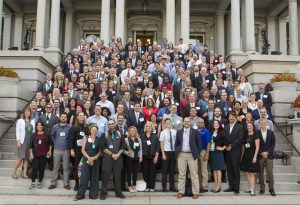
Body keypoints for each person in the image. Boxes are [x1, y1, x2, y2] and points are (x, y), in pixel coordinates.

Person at [175, 117, 201, 199]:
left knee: (194, 174)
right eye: (185, 121)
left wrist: (196, 153)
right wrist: (177, 151)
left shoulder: (195, 132)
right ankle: (181, 192)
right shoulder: (179, 132)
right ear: (183, 123)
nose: (186, 122)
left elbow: (199, 145)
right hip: (181, 155)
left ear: (190, 123)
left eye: (188, 121)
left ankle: (196, 192)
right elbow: (176, 143)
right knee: (181, 174)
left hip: (191, 155)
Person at [99, 120, 126, 200]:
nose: (111, 125)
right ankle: (103, 193)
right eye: (109, 124)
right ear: (108, 125)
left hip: (118, 158)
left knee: (117, 176)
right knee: (105, 176)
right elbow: (102, 146)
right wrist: (112, 154)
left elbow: (123, 145)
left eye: (112, 124)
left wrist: (118, 154)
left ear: (115, 124)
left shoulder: (119, 133)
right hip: (107, 159)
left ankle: (118, 193)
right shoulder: (105, 134)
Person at [74, 124, 101, 201]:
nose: (94, 131)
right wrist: (89, 158)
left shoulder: (98, 139)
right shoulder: (85, 137)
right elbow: (82, 150)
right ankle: (80, 195)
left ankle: (93, 195)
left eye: (96, 130)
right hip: (86, 160)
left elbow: (100, 151)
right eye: (93, 130)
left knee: (94, 178)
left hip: (95, 160)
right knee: (84, 178)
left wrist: (94, 158)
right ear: (90, 130)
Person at [48, 112, 72, 190]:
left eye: (65, 117)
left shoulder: (69, 127)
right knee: (56, 167)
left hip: (66, 150)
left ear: (66, 118)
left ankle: (66, 184)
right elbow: (52, 135)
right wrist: (55, 143)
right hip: (57, 150)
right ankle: (53, 183)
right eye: (62, 117)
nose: (63, 118)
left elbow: (71, 137)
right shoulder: (55, 127)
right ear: (60, 118)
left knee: (66, 167)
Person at [223, 112, 244, 194]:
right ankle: (231, 186)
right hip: (227, 151)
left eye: (232, 117)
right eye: (229, 117)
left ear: (235, 117)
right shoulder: (226, 127)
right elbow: (224, 137)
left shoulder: (240, 126)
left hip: (235, 151)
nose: (231, 118)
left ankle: (236, 188)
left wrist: (231, 145)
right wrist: (227, 145)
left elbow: (240, 138)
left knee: (235, 169)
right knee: (229, 170)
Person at [12, 107, 35, 179]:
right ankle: (14, 173)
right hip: (22, 141)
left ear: (30, 113)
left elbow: (33, 132)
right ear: (23, 113)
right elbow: (17, 132)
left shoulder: (32, 121)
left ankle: (24, 174)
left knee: (26, 158)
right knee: (20, 158)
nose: (27, 112)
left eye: (28, 111)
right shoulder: (20, 121)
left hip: (30, 141)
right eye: (26, 111)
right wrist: (18, 141)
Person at [69, 112, 89, 191]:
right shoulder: (74, 127)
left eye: (82, 115)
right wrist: (71, 150)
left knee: (85, 168)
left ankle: (84, 184)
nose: (81, 117)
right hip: (77, 151)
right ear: (77, 117)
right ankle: (77, 184)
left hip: (85, 151)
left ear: (84, 117)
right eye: (80, 115)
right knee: (77, 167)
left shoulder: (87, 127)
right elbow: (71, 139)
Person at [29, 121, 51, 189]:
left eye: (41, 125)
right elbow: (30, 146)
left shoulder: (47, 135)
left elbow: (50, 144)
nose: (39, 126)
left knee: (42, 169)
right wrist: (31, 154)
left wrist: (50, 151)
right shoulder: (33, 135)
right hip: (35, 154)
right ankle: (33, 182)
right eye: (38, 125)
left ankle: (39, 182)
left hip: (44, 155)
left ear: (43, 126)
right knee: (34, 169)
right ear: (36, 127)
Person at [257, 119, 276, 196]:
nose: (263, 124)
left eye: (264, 123)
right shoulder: (257, 133)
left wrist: (267, 152)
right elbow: (256, 145)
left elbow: (273, 144)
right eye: (261, 123)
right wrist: (261, 153)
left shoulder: (271, 133)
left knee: (270, 173)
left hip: (269, 155)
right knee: (260, 173)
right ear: (259, 124)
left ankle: (271, 189)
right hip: (260, 156)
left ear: (266, 123)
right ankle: (262, 189)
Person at [240, 122, 260, 196]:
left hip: (252, 155)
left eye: (250, 126)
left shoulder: (256, 135)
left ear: (253, 127)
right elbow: (244, 147)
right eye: (248, 126)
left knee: (251, 173)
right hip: (246, 155)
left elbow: (257, 147)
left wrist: (255, 157)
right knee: (247, 172)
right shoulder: (246, 135)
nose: (249, 127)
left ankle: (252, 190)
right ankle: (249, 188)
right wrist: (242, 156)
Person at [140, 121, 160, 192]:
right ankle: (146, 186)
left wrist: (156, 157)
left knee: (152, 172)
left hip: (153, 156)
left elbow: (158, 147)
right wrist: (140, 156)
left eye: (150, 126)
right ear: (145, 127)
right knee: (145, 172)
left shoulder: (155, 136)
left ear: (152, 127)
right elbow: (140, 146)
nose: (148, 127)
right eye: (147, 126)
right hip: (144, 156)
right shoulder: (142, 135)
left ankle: (152, 187)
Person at [160, 118, 177, 192]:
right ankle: (164, 186)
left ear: (171, 123)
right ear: (165, 124)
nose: (168, 124)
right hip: (166, 152)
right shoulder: (163, 132)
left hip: (173, 152)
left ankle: (172, 186)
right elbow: (161, 144)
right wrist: (163, 154)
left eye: (169, 123)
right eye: (167, 123)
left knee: (172, 170)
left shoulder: (175, 132)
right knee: (164, 170)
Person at [124, 126, 143, 193]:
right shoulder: (126, 139)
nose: (133, 132)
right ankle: (129, 186)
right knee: (129, 173)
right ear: (129, 132)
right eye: (131, 131)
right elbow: (123, 149)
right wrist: (127, 153)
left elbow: (140, 149)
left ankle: (134, 185)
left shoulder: (138, 139)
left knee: (135, 172)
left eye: (134, 131)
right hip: (129, 158)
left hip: (136, 158)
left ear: (136, 132)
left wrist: (140, 157)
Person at [209, 120, 226, 193]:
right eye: (214, 123)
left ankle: (218, 187)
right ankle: (216, 185)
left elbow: (227, 142)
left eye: (217, 123)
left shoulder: (221, 133)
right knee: (214, 170)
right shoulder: (211, 132)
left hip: (218, 153)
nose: (215, 124)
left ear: (219, 125)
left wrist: (222, 148)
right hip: (212, 152)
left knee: (218, 170)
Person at [197, 118, 211, 193]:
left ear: (204, 124)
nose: (200, 124)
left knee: (204, 171)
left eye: (201, 123)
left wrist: (207, 153)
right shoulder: (195, 131)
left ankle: (204, 187)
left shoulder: (206, 131)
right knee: (198, 171)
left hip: (203, 151)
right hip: (196, 152)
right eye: (199, 122)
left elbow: (209, 143)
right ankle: (199, 186)